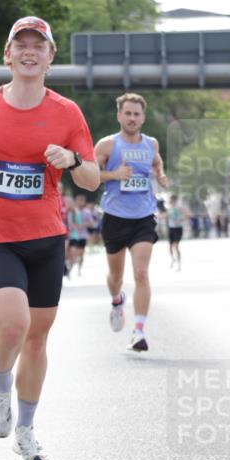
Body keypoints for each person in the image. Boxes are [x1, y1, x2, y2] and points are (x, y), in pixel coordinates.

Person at [0, 16, 99, 460]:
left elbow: (91, 179)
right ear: (8, 55)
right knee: (12, 326)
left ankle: (27, 431)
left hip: (47, 236)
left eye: (39, 45)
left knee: (37, 339)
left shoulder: (67, 113)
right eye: (21, 44)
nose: (30, 51)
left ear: (51, 56)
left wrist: (71, 159)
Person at [94, 93, 167, 351]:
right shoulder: (107, 145)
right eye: (128, 113)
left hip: (143, 217)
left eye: (137, 114)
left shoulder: (151, 144)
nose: (132, 118)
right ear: (119, 116)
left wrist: (161, 174)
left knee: (141, 272)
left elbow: (157, 164)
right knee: (116, 276)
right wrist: (114, 174)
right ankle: (116, 300)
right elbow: (89, 175)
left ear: (143, 117)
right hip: (115, 216)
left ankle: (138, 331)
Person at [167, 193, 188, 269]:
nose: (170, 201)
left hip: (178, 228)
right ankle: (173, 259)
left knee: (176, 246)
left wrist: (180, 220)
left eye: (171, 200)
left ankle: (179, 263)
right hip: (171, 228)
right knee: (170, 247)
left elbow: (187, 215)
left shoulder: (179, 207)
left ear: (174, 200)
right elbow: (166, 215)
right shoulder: (169, 208)